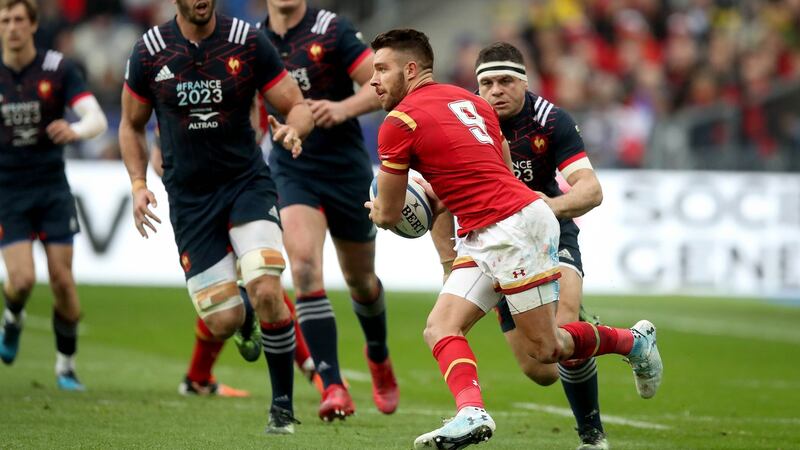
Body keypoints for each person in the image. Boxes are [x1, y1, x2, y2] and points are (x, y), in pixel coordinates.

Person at [365, 29, 663, 449]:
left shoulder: (398, 124)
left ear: (411, 69)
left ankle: (634, 340)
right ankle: (471, 412)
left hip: (511, 227)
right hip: (489, 228)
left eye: (381, 69)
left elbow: (392, 213)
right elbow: (500, 165)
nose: (373, 80)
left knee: (548, 349)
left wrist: (378, 210)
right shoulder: (470, 102)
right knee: (440, 326)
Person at [118, 0, 314, 434]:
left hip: (246, 183)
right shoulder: (149, 50)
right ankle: (242, 317)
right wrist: (137, 184)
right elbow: (131, 125)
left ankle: (282, 407)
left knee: (266, 285)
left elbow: (295, 104)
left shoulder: (246, 41)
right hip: (189, 198)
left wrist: (295, 128)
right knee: (222, 320)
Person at [260, 0, 397, 421]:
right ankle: (333, 385)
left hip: (345, 170)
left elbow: (379, 86)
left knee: (360, 280)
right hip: (292, 168)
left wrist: (340, 109)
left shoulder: (332, 29)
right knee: (302, 269)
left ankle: (377, 354)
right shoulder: (253, 40)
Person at [474, 42, 608, 449]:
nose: (496, 90)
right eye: (487, 83)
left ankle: (591, 435)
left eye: (505, 81)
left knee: (564, 332)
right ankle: (590, 334)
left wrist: (548, 207)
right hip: (497, 242)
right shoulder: (467, 122)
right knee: (542, 368)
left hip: (551, 232)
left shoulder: (551, 120)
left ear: (524, 82)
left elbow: (591, 190)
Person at [149, 138, 319, 398]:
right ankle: (311, 370)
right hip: (200, 206)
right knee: (239, 290)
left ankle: (198, 378)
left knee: (262, 279)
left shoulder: (252, 102)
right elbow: (157, 157)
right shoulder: (183, 105)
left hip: (244, 195)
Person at [0, 0, 108, 391]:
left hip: (51, 188)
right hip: (8, 191)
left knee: (63, 281)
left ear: (31, 25)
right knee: (23, 280)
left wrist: (74, 130)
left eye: (17, 20)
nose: (11, 27)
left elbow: (95, 118)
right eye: (4, 20)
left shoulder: (57, 69)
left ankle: (66, 366)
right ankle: (12, 317)